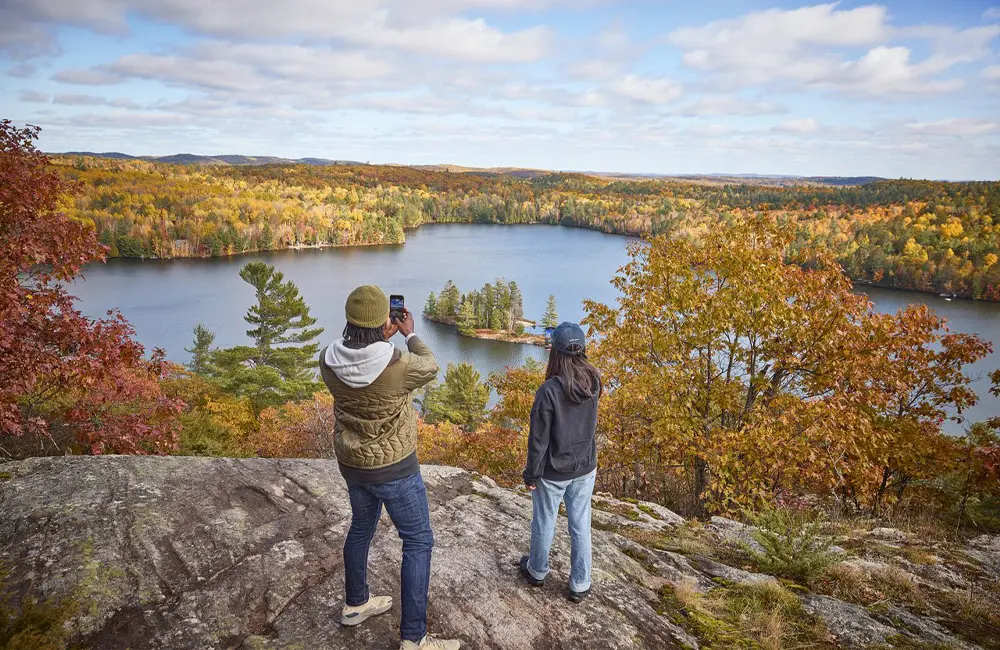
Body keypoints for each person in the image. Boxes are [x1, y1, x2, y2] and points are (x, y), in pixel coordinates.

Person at [320, 285, 460, 650]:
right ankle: (414, 638)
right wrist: (409, 333)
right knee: (417, 541)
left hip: (352, 464)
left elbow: (357, 367)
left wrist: (377, 336)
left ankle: (355, 604)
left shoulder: (327, 360)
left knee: (362, 528)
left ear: (350, 321)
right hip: (396, 468)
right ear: (385, 320)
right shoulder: (397, 364)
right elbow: (430, 365)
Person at [519, 321, 601, 604]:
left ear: (555, 352)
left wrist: (531, 474)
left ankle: (537, 571)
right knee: (580, 524)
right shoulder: (594, 381)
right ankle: (580, 583)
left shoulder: (549, 391)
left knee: (544, 521)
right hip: (585, 467)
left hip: (553, 471)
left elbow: (538, 442)